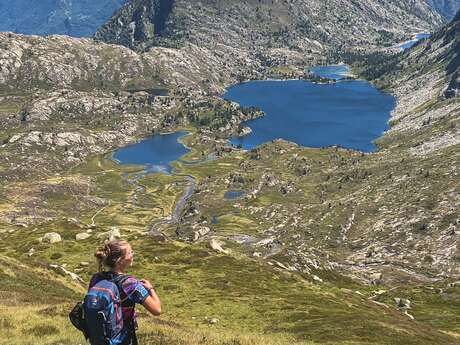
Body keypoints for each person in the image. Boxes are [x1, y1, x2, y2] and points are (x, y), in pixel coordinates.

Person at [89, 239, 161, 345]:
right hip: (122, 338)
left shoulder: (96, 278)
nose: (133, 254)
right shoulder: (130, 283)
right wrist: (150, 289)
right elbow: (157, 310)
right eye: (130, 252)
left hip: (100, 337)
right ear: (120, 260)